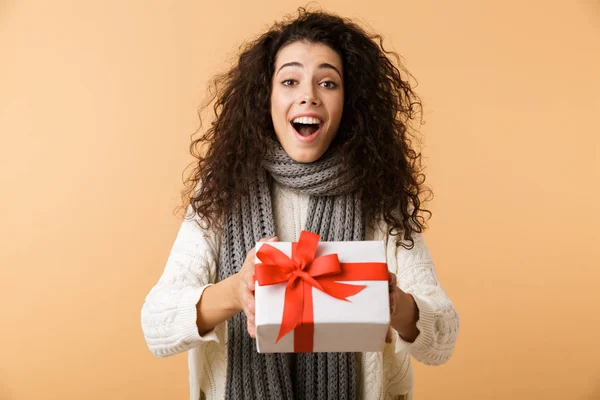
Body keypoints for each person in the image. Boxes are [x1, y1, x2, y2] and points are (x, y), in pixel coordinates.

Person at [141, 8, 459, 400]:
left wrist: (397, 305)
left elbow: (443, 337)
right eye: (290, 80)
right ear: (266, 98)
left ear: (350, 102)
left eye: (328, 82)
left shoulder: (380, 196)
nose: (308, 94)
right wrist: (238, 291)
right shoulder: (224, 188)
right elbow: (155, 325)